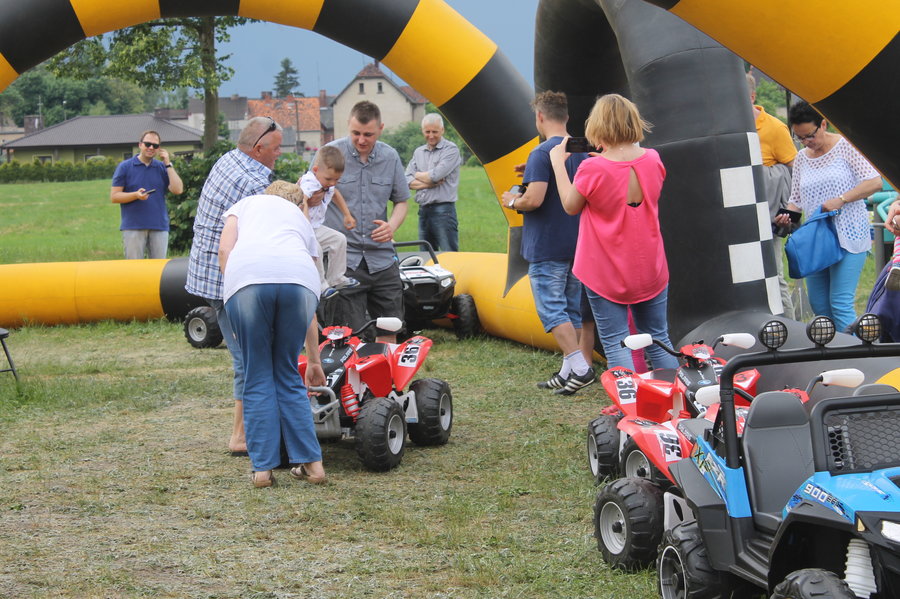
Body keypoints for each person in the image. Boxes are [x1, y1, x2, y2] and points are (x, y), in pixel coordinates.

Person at [549, 93, 680, 372]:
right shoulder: (654, 159)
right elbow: (628, 181)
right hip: (650, 265)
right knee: (659, 339)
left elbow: (571, 206)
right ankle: (673, 403)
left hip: (605, 269)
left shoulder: (591, 167)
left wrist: (559, 165)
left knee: (616, 342)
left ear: (598, 125)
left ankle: (628, 407)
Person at [185, 116, 284, 455]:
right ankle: (240, 436)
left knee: (251, 355)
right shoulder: (251, 181)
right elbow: (267, 226)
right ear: (258, 149)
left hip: (209, 274)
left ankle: (251, 428)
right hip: (228, 279)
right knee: (249, 358)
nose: (279, 155)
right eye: (276, 149)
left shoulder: (229, 159)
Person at [219, 180, 326, 488]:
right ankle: (313, 465)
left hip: (247, 280)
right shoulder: (300, 219)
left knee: (256, 375)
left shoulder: (243, 206)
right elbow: (309, 279)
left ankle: (263, 470)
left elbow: (225, 249)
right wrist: (314, 360)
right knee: (288, 373)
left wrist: (233, 292)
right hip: (300, 284)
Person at [501, 90, 594, 395]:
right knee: (570, 307)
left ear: (539, 117)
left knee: (551, 309)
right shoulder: (581, 149)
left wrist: (513, 201)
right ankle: (570, 371)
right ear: (566, 117)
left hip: (547, 245)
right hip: (576, 243)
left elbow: (534, 199)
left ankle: (579, 367)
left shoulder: (541, 153)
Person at [774, 101, 881, 332]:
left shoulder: (846, 146)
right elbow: (797, 199)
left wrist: (842, 199)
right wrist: (786, 215)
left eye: (810, 135)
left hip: (849, 234)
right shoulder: (802, 157)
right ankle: (834, 356)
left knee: (840, 303)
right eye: (800, 138)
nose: (806, 142)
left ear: (823, 124)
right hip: (817, 240)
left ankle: (858, 358)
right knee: (820, 305)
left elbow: (874, 182)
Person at [320, 101, 409, 342]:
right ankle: (355, 378)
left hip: (381, 258)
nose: (361, 140)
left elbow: (402, 201)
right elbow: (311, 197)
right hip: (345, 260)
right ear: (348, 126)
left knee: (390, 327)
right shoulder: (330, 154)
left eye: (368, 134)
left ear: (380, 128)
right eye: (356, 133)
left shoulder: (390, 157)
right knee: (350, 333)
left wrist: (392, 226)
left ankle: (385, 376)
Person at [747, 72, 797, 318]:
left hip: (769, 217)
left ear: (752, 96)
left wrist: (788, 214)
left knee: (775, 274)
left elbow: (796, 173)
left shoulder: (775, 128)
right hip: (741, 218)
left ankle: (791, 330)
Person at [298, 146, 360, 299]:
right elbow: (303, 199)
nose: (332, 183)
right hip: (303, 228)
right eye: (329, 179)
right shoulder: (309, 181)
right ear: (316, 169)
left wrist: (347, 215)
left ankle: (336, 278)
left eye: (336, 180)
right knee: (316, 248)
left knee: (339, 239)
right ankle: (320, 285)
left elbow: (336, 194)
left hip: (316, 227)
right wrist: (305, 222)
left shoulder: (327, 183)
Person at [110, 130, 184, 259]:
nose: (151, 148)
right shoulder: (125, 167)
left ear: (159, 148)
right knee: (133, 270)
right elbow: (115, 196)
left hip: (159, 226)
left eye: (155, 146)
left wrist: (168, 163)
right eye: (147, 144)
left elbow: (177, 189)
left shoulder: (162, 167)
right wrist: (136, 195)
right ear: (140, 145)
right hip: (133, 226)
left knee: (158, 270)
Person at [405, 113, 463, 251]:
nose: (431, 135)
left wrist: (417, 175)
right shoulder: (418, 152)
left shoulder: (451, 150)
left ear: (442, 130)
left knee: (449, 255)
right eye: (427, 132)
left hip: (443, 211)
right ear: (422, 131)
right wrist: (428, 183)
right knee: (426, 256)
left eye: (435, 132)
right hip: (423, 211)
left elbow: (435, 176)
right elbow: (406, 180)